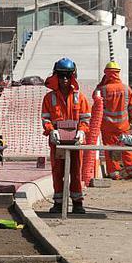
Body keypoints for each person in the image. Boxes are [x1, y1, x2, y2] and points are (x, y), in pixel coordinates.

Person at [41, 58, 91, 214]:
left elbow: (85, 119)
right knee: (58, 172)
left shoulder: (80, 97)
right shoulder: (49, 98)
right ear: (56, 76)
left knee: (76, 172)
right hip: (57, 142)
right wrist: (51, 130)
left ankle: (77, 203)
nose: (64, 80)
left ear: (72, 77)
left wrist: (82, 131)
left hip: (75, 141)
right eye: (61, 76)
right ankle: (58, 203)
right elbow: (45, 118)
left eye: (67, 76)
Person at [95, 61, 132, 180]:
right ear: (118, 73)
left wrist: (101, 83)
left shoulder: (102, 89)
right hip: (123, 125)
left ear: (106, 73)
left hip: (107, 126)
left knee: (110, 149)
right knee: (126, 147)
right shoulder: (126, 89)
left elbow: (96, 102)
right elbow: (131, 108)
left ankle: (114, 172)